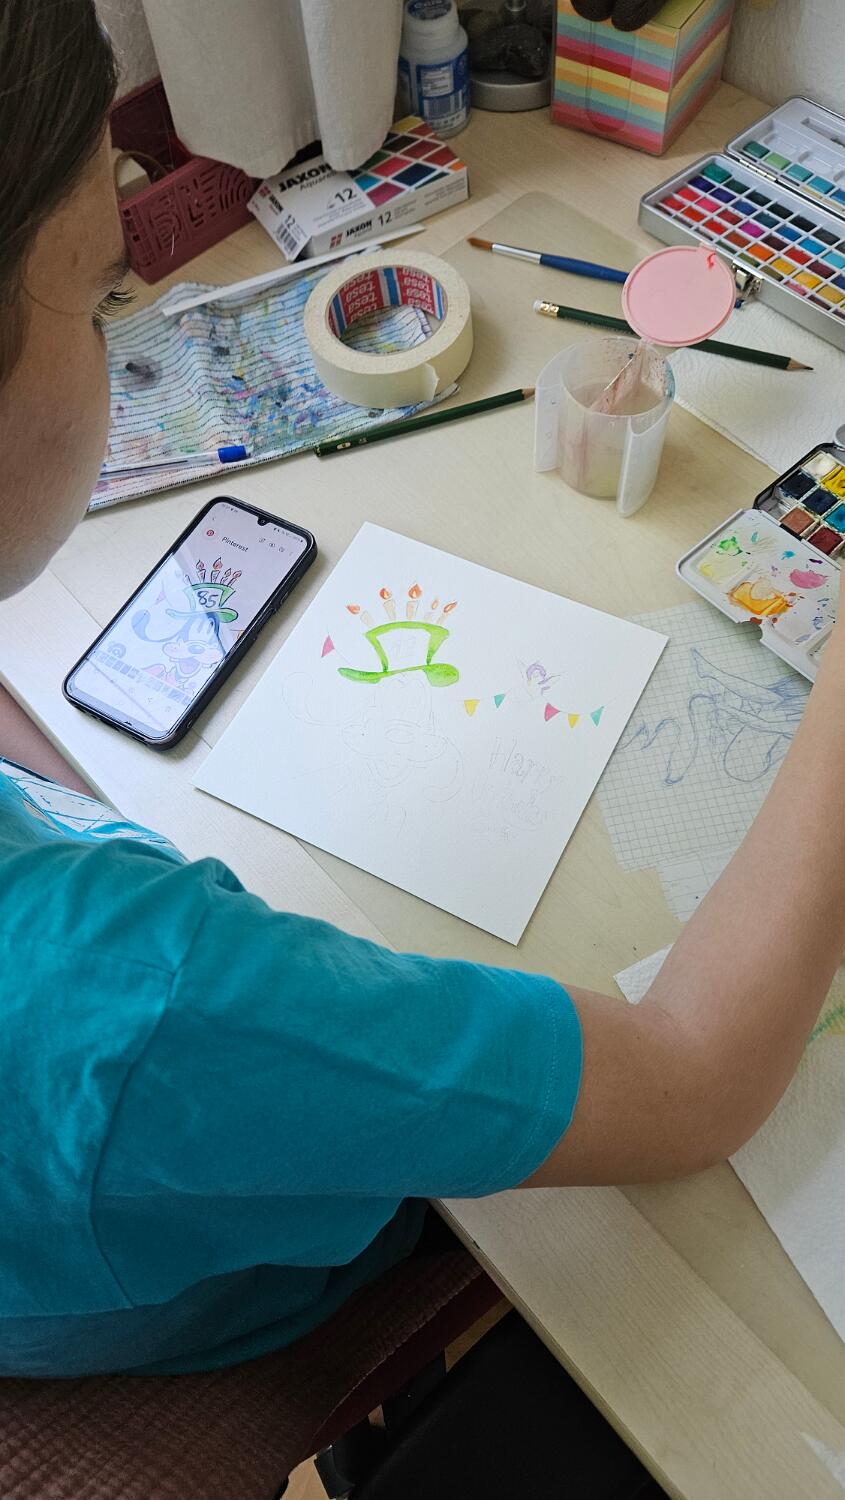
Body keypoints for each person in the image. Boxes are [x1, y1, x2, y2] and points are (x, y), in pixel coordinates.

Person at [0, 0, 841, 1381]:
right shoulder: (150, 998)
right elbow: (695, 1083)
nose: (119, 343)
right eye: (102, 301)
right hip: (194, 1301)